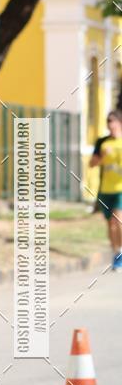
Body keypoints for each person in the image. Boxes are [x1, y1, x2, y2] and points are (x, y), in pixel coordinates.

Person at [90, 109, 122, 271]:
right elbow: (92, 163)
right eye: (108, 121)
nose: (110, 124)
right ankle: (117, 252)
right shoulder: (102, 142)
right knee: (111, 224)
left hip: (120, 189)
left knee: (118, 220)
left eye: (113, 121)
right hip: (105, 189)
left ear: (120, 123)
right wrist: (102, 156)